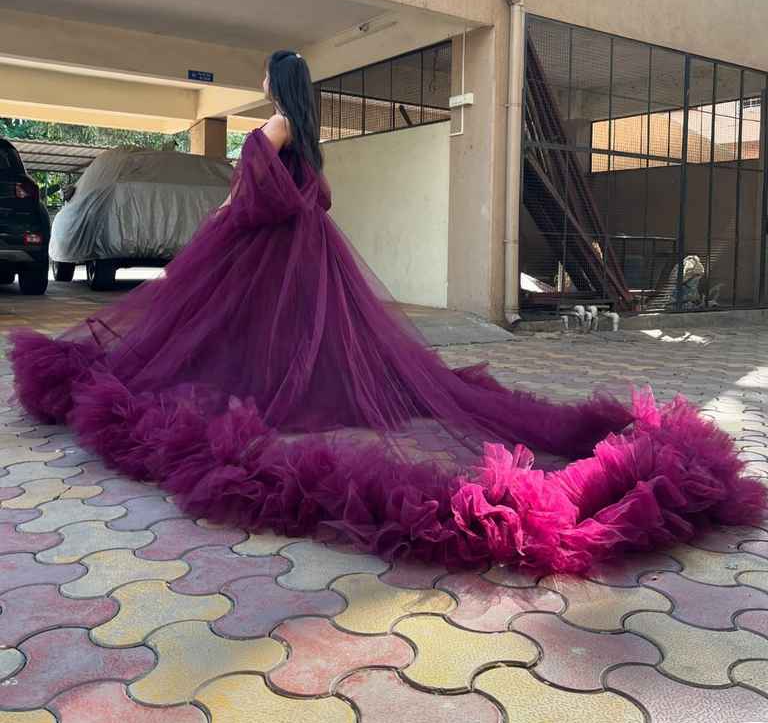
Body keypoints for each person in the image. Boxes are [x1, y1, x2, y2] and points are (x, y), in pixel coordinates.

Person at [8, 51, 764, 573]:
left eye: (266, 73)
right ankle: (284, 389)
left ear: (277, 81)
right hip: (304, 250)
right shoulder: (306, 135)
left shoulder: (274, 127)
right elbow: (310, 195)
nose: (262, 81)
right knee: (296, 334)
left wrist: (218, 226)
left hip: (262, 248)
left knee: (228, 329)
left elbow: (253, 196)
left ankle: (266, 392)